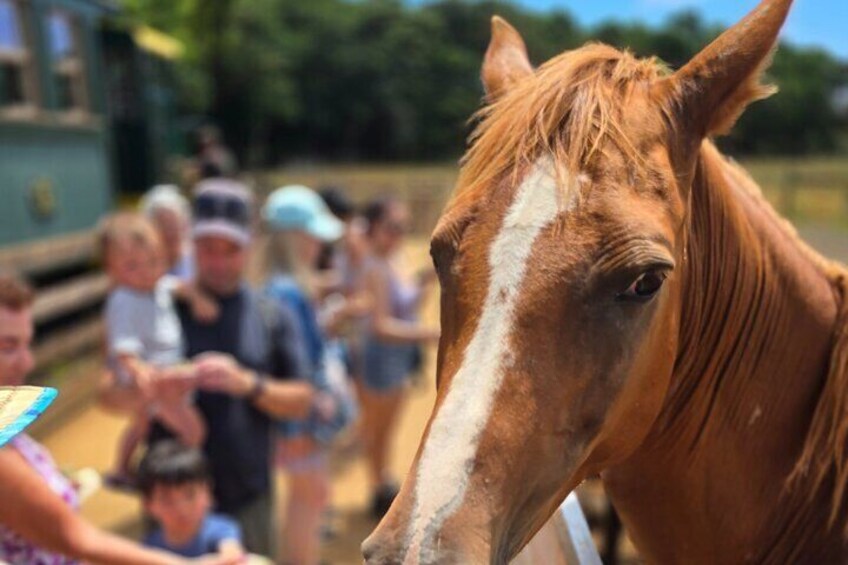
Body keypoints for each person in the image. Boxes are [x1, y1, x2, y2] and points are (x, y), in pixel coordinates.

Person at [0, 273, 235, 565]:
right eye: (8, 347)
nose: (28, 361)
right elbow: (76, 539)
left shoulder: (10, 431)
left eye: (26, 344)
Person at [141, 178, 316, 557]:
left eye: (231, 250)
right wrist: (153, 385)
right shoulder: (158, 308)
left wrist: (247, 383)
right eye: (207, 249)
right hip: (168, 503)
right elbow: (110, 392)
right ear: (191, 244)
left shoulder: (272, 314)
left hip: (247, 499)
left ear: (250, 246)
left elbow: (302, 399)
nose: (218, 262)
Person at [261, 185, 356, 565]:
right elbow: (291, 364)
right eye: (314, 235)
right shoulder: (288, 291)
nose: (320, 244)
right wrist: (295, 428)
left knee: (309, 495)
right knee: (310, 495)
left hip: (295, 417)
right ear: (294, 237)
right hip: (299, 419)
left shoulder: (278, 285)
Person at [97, 212, 215, 488]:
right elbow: (123, 348)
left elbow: (179, 287)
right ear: (112, 269)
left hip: (162, 371)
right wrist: (139, 371)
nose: (146, 272)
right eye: (132, 266)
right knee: (194, 431)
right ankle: (182, 477)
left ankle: (121, 470)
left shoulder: (158, 285)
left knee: (140, 427)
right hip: (155, 377)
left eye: (154, 262)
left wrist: (197, 300)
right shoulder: (123, 300)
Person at [360, 197, 440, 518]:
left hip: (396, 357)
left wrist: (429, 280)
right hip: (382, 359)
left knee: (386, 431)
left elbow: (406, 308)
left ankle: (381, 484)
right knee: (378, 432)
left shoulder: (394, 260)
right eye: (391, 228)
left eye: (402, 228)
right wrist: (431, 335)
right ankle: (378, 489)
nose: (397, 234)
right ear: (373, 229)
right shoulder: (376, 267)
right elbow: (380, 326)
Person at [139, 440, 243, 560]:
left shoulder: (221, 531)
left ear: (208, 493)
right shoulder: (149, 547)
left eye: (190, 495)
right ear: (148, 505)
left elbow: (232, 556)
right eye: (167, 500)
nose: (181, 508)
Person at [140, 185, 195, 281]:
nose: (169, 232)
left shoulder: (197, 263)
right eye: (162, 225)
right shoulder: (140, 266)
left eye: (174, 224)